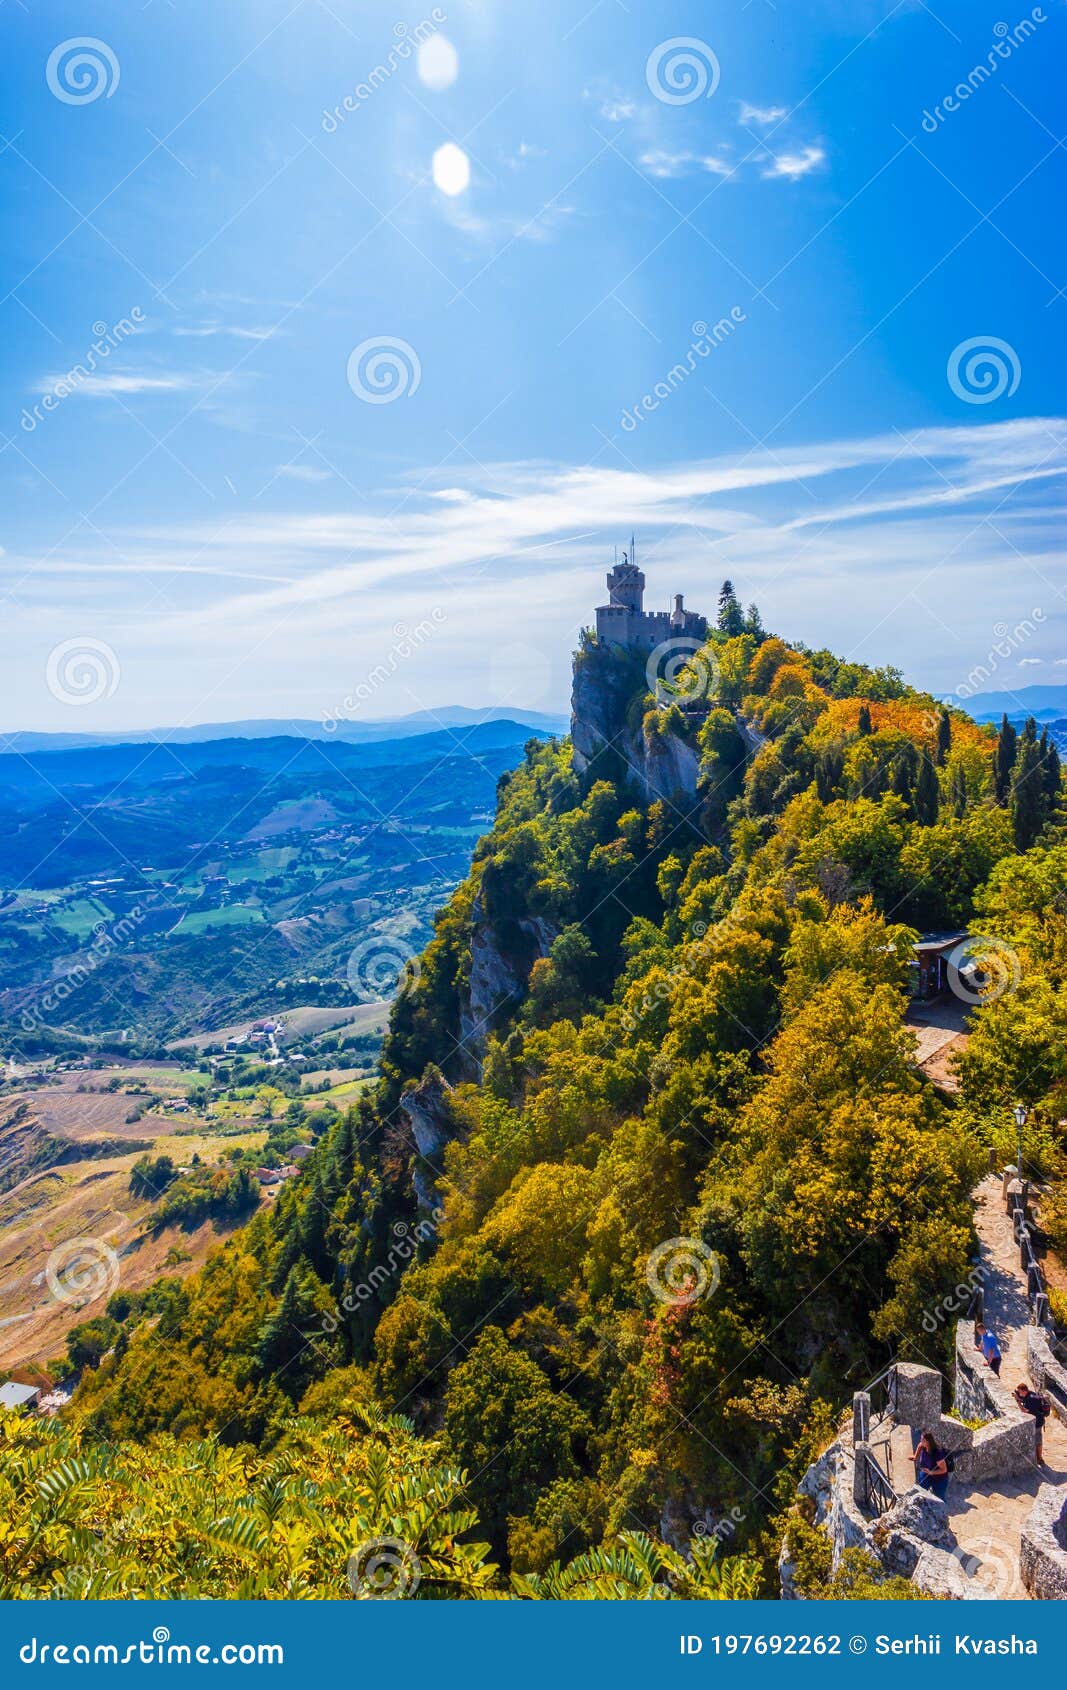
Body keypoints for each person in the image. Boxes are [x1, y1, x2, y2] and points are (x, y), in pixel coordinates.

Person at [1014, 1381, 1051, 1463]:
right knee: (1037, 1439)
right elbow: (1025, 1399)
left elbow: (1024, 1410)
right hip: (1039, 1420)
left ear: (1023, 1391)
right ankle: (1038, 1458)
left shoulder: (1030, 1399)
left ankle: (1040, 1459)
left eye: (1020, 1392)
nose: (1019, 1394)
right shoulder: (1030, 1394)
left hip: (1037, 1423)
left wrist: (1017, 1401)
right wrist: (1019, 1398)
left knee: (1038, 1441)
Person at [911, 1431, 950, 1500]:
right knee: (920, 1492)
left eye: (922, 1440)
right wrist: (915, 1457)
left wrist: (931, 1472)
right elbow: (919, 1446)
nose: (920, 1441)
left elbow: (944, 1470)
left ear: (927, 1442)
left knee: (939, 1498)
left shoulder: (937, 1454)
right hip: (926, 1474)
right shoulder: (923, 1446)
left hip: (939, 1479)